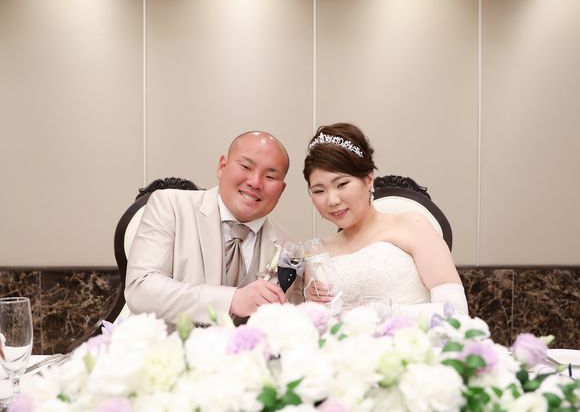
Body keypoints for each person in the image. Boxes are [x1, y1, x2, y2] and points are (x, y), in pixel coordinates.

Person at [125, 130, 294, 325]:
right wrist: (232, 300)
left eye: (270, 177)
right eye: (246, 167)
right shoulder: (170, 205)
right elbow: (141, 289)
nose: (255, 182)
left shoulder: (286, 246)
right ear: (222, 167)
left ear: (281, 190)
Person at [302, 123, 468, 319]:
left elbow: (456, 313)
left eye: (342, 184)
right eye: (319, 191)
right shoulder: (316, 253)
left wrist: (381, 313)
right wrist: (312, 307)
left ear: (368, 180)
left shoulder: (412, 225)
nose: (332, 200)